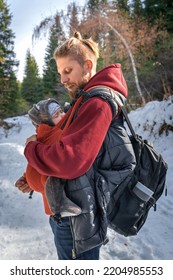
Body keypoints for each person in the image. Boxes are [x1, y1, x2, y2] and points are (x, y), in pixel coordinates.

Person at [15, 31, 136, 260]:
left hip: (76, 220)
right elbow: (62, 144)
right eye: (60, 72)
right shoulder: (84, 100)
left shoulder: (98, 102)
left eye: (67, 71)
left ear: (87, 65)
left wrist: (31, 149)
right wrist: (35, 174)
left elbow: (70, 161)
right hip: (69, 215)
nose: (62, 79)